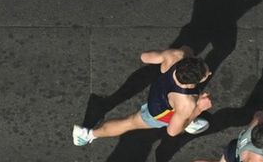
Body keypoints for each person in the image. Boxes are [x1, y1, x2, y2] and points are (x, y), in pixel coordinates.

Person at [72, 49, 212, 147]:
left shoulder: (178, 54)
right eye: (206, 74)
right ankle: (88, 134)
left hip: (158, 90)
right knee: (130, 122)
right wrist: (199, 108)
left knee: (182, 114)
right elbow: (173, 131)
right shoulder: (187, 103)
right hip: (159, 113)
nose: (210, 72)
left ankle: (185, 118)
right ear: (193, 81)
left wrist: (164, 56)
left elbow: (145, 57)